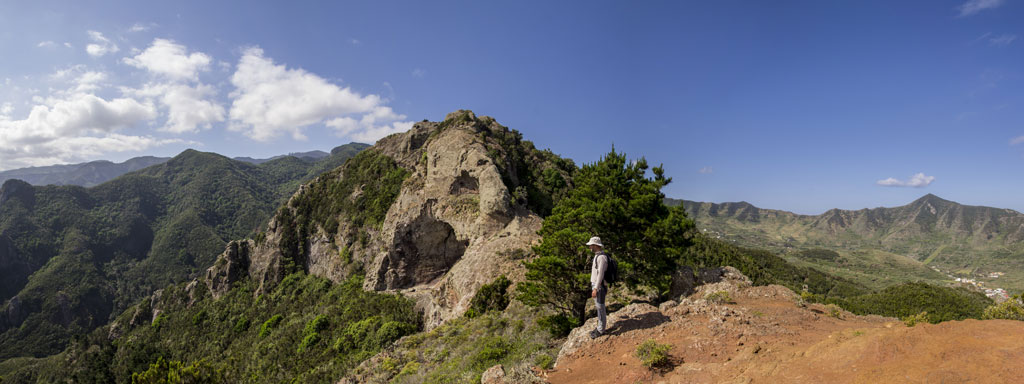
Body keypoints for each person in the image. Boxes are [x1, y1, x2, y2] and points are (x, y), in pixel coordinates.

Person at [587, 236, 608, 339]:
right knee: (599, 307)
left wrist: (595, 288)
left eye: (591, 245)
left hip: (599, 286)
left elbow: (600, 275)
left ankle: (601, 330)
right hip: (596, 285)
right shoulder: (597, 256)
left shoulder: (602, 258)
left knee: (600, 307)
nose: (590, 246)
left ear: (595, 245)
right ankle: (600, 327)